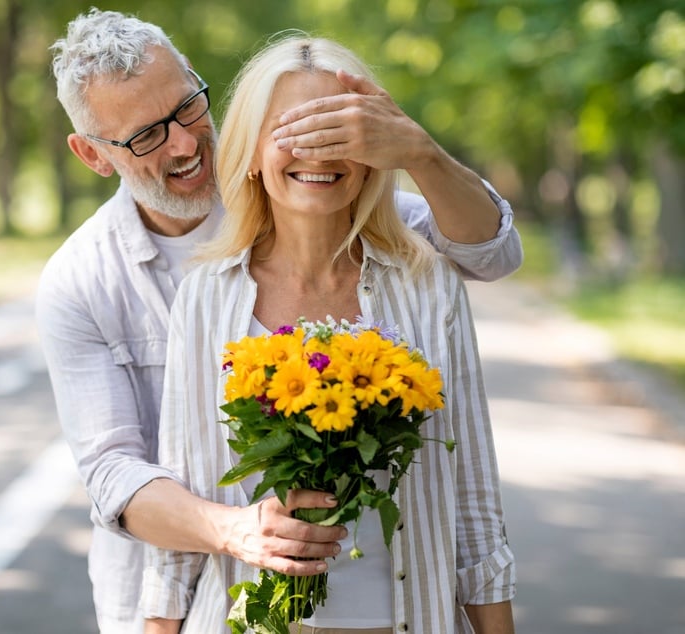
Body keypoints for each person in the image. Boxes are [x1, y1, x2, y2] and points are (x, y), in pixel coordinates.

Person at [37, 9, 521, 634]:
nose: (185, 144)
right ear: (93, 154)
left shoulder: (407, 262)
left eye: (187, 109)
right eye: (145, 137)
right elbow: (115, 473)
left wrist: (418, 151)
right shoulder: (111, 283)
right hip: (196, 595)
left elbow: (491, 250)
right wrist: (238, 530)